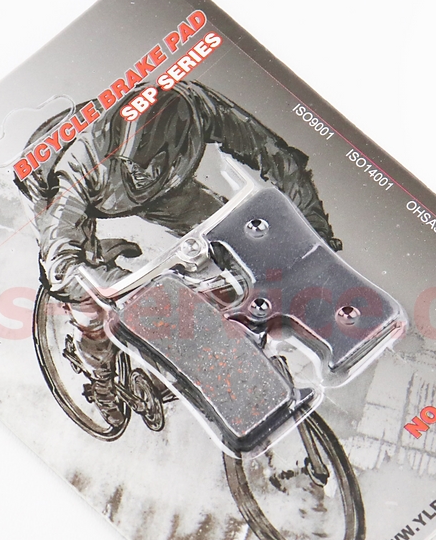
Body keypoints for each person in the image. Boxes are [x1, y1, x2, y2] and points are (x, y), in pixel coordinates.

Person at [17, 81, 341, 428]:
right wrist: (130, 291)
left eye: (156, 164)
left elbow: (280, 160)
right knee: (89, 299)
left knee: (237, 239)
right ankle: (101, 380)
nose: (146, 176)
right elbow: (61, 267)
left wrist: (315, 238)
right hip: (51, 184)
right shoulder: (80, 165)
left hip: (161, 189)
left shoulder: (203, 108)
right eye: (138, 169)